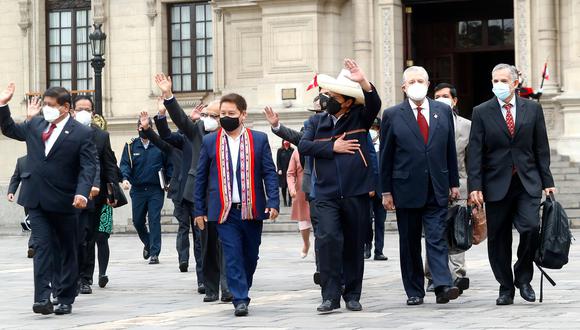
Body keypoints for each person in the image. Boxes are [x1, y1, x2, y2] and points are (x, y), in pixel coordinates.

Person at [0, 84, 97, 315]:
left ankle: (64, 297)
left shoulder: (82, 133)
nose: (46, 109)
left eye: (50, 105)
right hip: (36, 200)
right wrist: (3, 104)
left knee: (67, 249)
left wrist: (82, 192)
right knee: (42, 248)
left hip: (66, 202)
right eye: (44, 104)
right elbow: (9, 129)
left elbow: (88, 166)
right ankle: (42, 297)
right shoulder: (36, 124)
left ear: (65, 107)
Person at [467, 64, 555, 305]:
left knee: (529, 228)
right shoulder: (481, 111)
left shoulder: (533, 109)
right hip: (495, 184)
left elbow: (541, 148)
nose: (499, 85)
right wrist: (475, 185)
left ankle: (523, 277)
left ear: (516, 83)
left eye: (504, 80)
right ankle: (505, 286)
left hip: (527, 182)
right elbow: (474, 152)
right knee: (498, 238)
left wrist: (547, 181)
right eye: (495, 80)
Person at [299, 58, 381, 313]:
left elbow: (375, 103)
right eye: (324, 94)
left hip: (355, 192)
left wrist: (363, 81)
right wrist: (331, 147)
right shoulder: (315, 123)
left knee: (354, 244)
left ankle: (353, 294)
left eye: (330, 95)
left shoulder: (359, 118)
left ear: (346, 100)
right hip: (324, 193)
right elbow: (303, 146)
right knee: (328, 240)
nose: (325, 99)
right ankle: (330, 296)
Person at [380, 66, 461, 306]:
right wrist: (386, 191)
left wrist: (454, 182)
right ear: (404, 87)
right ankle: (414, 290)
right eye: (411, 81)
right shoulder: (392, 114)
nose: (416, 84)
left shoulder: (442, 111)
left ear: (427, 84)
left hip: (436, 186)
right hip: (405, 188)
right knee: (410, 241)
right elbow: (385, 156)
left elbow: (449, 150)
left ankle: (442, 285)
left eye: (420, 80)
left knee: (436, 237)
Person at [193, 92, 279, 317]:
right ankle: (240, 298)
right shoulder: (210, 141)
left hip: (252, 209)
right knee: (231, 254)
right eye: (223, 114)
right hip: (224, 211)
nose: (226, 117)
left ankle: (243, 286)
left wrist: (274, 201)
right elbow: (201, 177)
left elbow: (269, 173)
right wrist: (199, 210)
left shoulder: (258, 139)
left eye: (231, 113)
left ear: (243, 115)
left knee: (250, 255)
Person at [264, 95, 324, 285]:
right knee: (321, 233)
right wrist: (277, 126)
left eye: (319, 112)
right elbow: (296, 138)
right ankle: (321, 269)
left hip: (342, 190)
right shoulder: (308, 132)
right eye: (314, 113)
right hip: (313, 191)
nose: (316, 117)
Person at [423, 83, 471, 294]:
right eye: (437, 96)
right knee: (434, 231)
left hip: (459, 185)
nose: (441, 99)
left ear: (454, 100)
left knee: (458, 228)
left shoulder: (467, 126)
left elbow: (472, 160)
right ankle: (432, 274)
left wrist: (474, 189)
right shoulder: (427, 123)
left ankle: (459, 274)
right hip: (432, 185)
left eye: (445, 96)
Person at [71, 95, 119, 294]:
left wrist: (112, 190)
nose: (83, 112)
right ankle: (70, 275)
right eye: (80, 108)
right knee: (71, 237)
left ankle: (85, 278)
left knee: (89, 237)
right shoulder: (64, 133)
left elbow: (109, 165)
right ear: (72, 110)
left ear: (92, 113)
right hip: (67, 193)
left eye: (87, 109)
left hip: (94, 194)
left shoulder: (101, 136)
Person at [120, 117, 172, 265]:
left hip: (156, 189)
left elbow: (169, 164)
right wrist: (125, 178)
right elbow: (124, 164)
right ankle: (148, 243)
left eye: (147, 126)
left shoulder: (159, 145)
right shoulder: (131, 146)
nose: (143, 129)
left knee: (154, 219)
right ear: (138, 128)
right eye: (141, 127)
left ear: (151, 128)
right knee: (137, 221)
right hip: (138, 190)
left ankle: (155, 253)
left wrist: (169, 180)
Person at [364, 118, 388, 261]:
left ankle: (379, 250)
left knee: (380, 222)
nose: (373, 130)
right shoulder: (364, 145)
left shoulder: (384, 146)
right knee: (366, 221)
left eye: (375, 127)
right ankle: (367, 247)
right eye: (370, 127)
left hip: (382, 191)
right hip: (367, 190)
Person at [286, 148, 311, 258]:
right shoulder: (296, 152)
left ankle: (320, 248)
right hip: (300, 192)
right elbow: (290, 173)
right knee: (304, 222)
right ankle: (306, 243)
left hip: (319, 190)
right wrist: (291, 188)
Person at [8, 155, 34, 258]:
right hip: (28, 199)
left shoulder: (46, 157)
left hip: (45, 198)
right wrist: (11, 192)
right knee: (33, 222)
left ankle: (34, 246)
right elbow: (15, 178)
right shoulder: (21, 161)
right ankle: (33, 246)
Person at [277, 141, 294, 207]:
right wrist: (279, 169)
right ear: (283, 142)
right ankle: (284, 201)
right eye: (285, 141)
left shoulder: (292, 150)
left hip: (290, 171)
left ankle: (290, 201)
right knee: (284, 187)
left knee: (290, 186)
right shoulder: (280, 150)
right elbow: (278, 161)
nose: (286, 143)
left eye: (288, 141)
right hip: (282, 171)